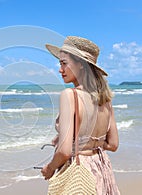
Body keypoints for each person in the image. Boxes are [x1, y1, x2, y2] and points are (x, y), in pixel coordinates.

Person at [41, 36, 120, 194]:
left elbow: (64, 151)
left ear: (81, 65)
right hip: (101, 168)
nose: (60, 69)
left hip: (79, 172)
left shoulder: (70, 95)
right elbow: (113, 144)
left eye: (64, 63)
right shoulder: (105, 99)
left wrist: (49, 168)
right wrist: (89, 144)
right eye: (60, 64)